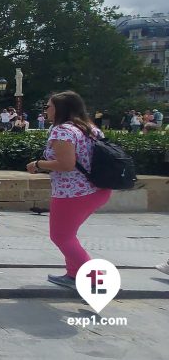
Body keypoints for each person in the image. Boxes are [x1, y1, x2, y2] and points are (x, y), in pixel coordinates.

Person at [26, 91, 111, 290]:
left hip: (72, 193)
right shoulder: (90, 128)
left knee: (61, 236)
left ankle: (97, 282)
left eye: (48, 106)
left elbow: (66, 164)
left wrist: (38, 164)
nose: (45, 110)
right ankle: (73, 275)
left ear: (60, 109)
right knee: (68, 235)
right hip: (97, 190)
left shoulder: (62, 130)